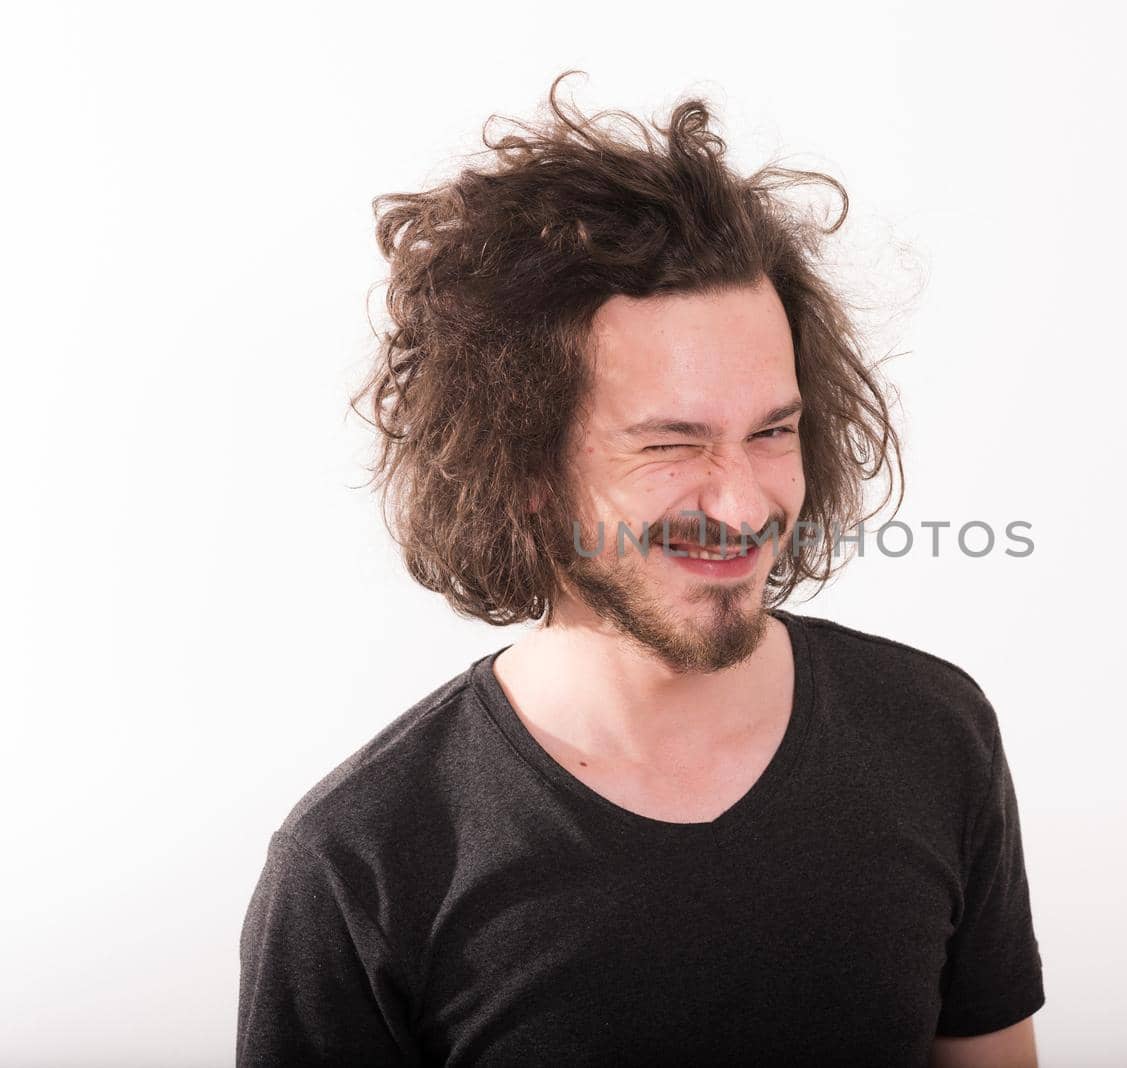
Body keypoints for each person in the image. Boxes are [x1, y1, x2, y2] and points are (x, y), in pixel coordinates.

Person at [237, 71, 1045, 1067]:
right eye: (670, 445)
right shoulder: (359, 863)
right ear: (523, 466)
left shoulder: (932, 733)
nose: (744, 503)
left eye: (772, 430)